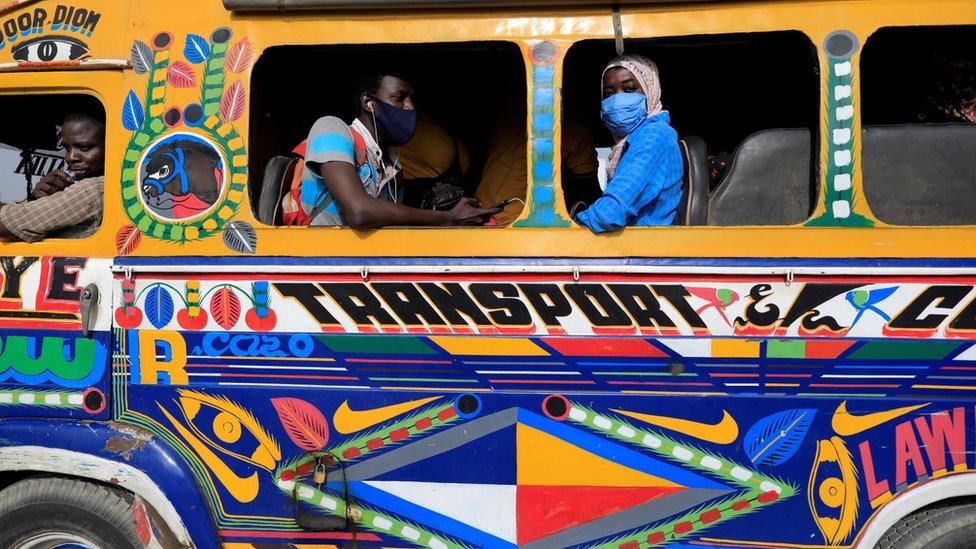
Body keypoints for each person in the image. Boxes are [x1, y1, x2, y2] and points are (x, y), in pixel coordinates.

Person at [301, 73, 498, 228]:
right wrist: (448, 218)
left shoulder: (392, 163)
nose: (409, 107)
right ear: (369, 103)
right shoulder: (331, 128)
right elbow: (359, 212)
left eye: (412, 100)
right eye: (399, 98)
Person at [574, 54, 683, 232]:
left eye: (630, 90)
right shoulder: (634, 138)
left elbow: (610, 212)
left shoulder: (653, 136)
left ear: (650, 90)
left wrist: (572, 226)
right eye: (609, 93)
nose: (618, 100)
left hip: (646, 252)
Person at [0, 113, 105, 242]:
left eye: (84, 148)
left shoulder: (94, 189)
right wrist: (38, 199)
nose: (70, 157)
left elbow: (4, 224)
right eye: (67, 148)